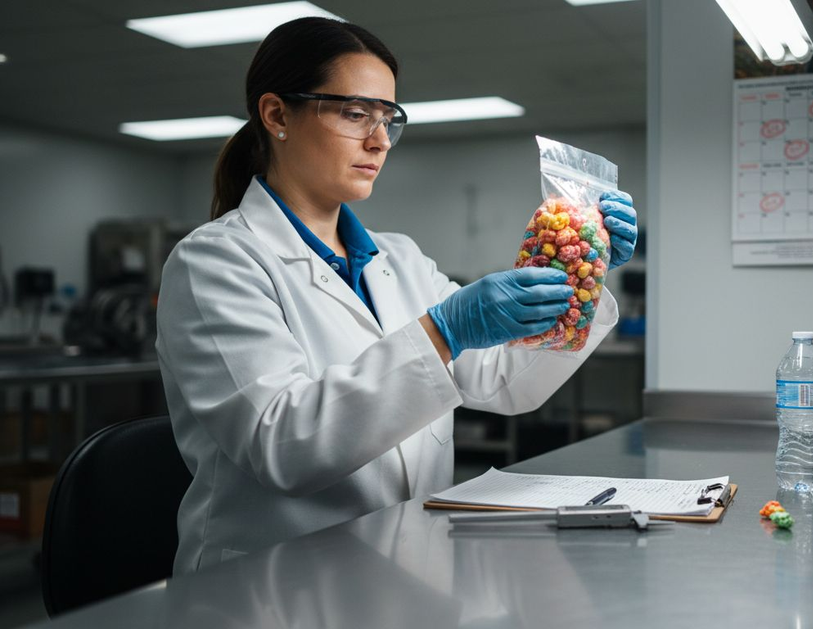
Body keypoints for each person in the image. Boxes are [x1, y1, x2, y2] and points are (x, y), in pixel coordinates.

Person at [156, 17, 637, 575]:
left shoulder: (399, 259)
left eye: (388, 118)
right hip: (274, 582)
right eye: (355, 113)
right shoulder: (214, 261)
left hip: (409, 568)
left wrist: (586, 279)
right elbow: (283, 445)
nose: (380, 140)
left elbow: (505, 384)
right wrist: (443, 333)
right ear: (276, 114)